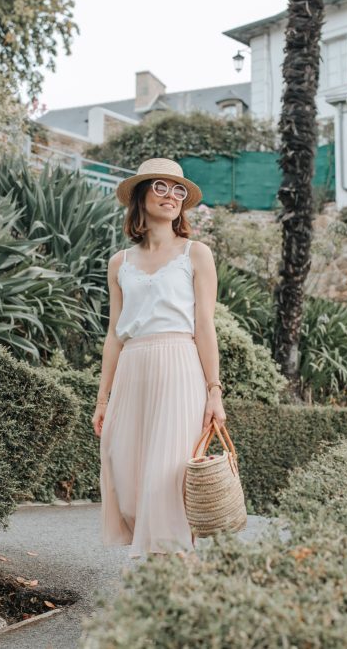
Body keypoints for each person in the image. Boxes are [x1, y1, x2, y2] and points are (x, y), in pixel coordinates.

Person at [93, 157, 227, 558]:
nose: (171, 196)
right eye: (161, 187)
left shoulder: (196, 253)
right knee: (130, 485)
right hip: (133, 367)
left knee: (167, 483)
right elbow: (115, 335)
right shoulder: (120, 263)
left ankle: (173, 587)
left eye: (179, 190)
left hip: (179, 366)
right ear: (140, 195)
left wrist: (214, 391)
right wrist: (103, 399)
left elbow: (204, 326)